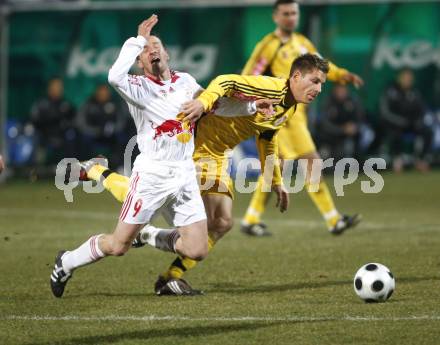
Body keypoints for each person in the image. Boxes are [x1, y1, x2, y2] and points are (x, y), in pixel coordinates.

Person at [52, 15, 271, 298]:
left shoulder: (187, 82)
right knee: (119, 246)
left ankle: (147, 234)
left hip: (184, 175)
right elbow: (113, 76)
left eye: (156, 44)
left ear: (167, 54)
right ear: (140, 63)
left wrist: (252, 106)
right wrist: (138, 39)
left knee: (197, 248)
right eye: (145, 49)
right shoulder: (137, 88)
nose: (151, 49)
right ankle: (66, 261)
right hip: (152, 176)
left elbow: (217, 106)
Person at [76, 52, 330, 295]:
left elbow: (267, 138)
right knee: (157, 204)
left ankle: (169, 277)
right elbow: (225, 81)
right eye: (314, 81)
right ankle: (99, 173)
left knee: (220, 223)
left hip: (218, 155)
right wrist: (203, 102)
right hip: (195, 145)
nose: (318, 89)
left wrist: (276, 181)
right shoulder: (271, 88)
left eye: (321, 84)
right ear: (296, 76)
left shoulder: (290, 107)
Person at [240, 0, 363, 237]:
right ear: (275, 17)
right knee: (310, 162)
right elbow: (248, 76)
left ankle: (251, 218)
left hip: (297, 116)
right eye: (285, 13)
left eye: (294, 13)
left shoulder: (303, 43)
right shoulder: (268, 46)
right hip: (280, 115)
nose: (290, 17)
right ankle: (333, 219)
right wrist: (257, 101)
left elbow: (322, 67)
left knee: (276, 169)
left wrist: (342, 75)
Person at [380, 68, 433, 173]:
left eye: (409, 78)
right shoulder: (391, 91)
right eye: (405, 78)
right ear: (399, 78)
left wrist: (417, 121)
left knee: (428, 132)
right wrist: (401, 121)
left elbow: (422, 110)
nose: (407, 80)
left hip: (412, 124)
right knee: (394, 133)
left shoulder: (415, 92)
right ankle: (398, 160)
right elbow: (385, 113)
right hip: (396, 124)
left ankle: (421, 160)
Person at [76, 84, 125, 168]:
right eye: (101, 92)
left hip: (110, 135)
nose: (103, 94)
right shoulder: (89, 104)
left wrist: (112, 130)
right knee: (83, 139)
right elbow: (81, 123)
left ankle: (119, 166)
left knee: (121, 137)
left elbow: (121, 122)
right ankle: (84, 167)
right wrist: (95, 131)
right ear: (97, 93)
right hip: (93, 134)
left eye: (105, 92)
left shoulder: (115, 104)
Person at [30, 77, 76, 165]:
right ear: (49, 88)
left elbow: (73, 120)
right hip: (44, 134)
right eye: (54, 87)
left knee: (72, 136)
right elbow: (34, 120)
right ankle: (37, 168)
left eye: (59, 87)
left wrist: (65, 125)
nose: (56, 90)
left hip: (62, 135)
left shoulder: (66, 105)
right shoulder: (41, 103)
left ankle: (69, 168)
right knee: (35, 137)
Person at [317, 84, 364, 161]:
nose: (341, 92)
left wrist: (354, 127)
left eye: (343, 89)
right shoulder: (328, 102)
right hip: (329, 137)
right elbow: (324, 124)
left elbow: (360, 118)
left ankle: (358, 160)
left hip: (347, 136)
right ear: (335, 90)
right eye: (339, 89)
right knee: (325, 156)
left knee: (363, 134)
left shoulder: (353, 101)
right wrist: (342, 129)